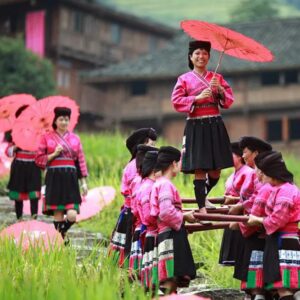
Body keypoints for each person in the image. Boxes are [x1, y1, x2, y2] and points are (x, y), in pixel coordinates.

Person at [171, 40, 234, 213]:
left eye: (205, 53)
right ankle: (201, 208)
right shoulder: (183, 79)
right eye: (197, 53)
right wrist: (196, 98)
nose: (201, 56)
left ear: (209, 57)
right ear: (191, 57)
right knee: (200, 167)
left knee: (215, 171)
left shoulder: (217, 78)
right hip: (196, 125)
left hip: (215, 124)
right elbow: (176, 102)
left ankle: (203, 197)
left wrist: (220, 89)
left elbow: (229, 100)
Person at [248, 151, 300, 300]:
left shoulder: (286, 191)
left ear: (273, 173)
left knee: (283, 287)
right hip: (278, 239)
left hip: (283, 241)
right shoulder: (278, 189)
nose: (262, 176)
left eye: (264, 173)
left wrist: (257, 220)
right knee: (279, 286)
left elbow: (278, 220)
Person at [35, 107, 88, 239]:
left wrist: (84, 183)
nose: (64, 122)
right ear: (55, 120)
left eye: (66, 119)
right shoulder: (46, 138)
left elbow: (80, 161)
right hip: (54, 177)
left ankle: (61, 234)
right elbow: (39, 159)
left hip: (70, 178)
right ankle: (61, 241)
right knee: (58, 211)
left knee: (72, 214)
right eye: (61, 119)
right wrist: (54, 154)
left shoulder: (75, 139)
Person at [150, 146, 196, 294]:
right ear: (173, 164)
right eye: (179, 162)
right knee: (171, 279)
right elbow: (165, 212)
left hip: (165, 233)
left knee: (171, 279)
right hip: (171, 235)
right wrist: (184, 217)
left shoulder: (158, 183)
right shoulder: (165, 185)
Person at [109, 128, 157, 267]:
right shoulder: (133, 168)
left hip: (138, 211)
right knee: (130, 249)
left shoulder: (144, 166)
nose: (155, 150)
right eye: (151, 146)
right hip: (133, 213)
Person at [219, 142, 253, 266]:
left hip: (241, 215)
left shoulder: (248, 172)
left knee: (242, 253)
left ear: (239, 157)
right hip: (231, 213)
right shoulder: (232, 175)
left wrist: (234, 200)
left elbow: (249, 196)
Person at [6, 105, 42, 220]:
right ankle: (19, 218)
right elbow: (8, 152)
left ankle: (34, 218)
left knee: (34, 194)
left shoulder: (38, 132)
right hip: (19, 166)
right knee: (18, 194)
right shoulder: (15, 133)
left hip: (33, 165)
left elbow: (42, 149)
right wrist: (17, 146)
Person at [137, 150, 160, 291]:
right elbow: (147, 217)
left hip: (151, 232)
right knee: (153, 281)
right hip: (153, 233)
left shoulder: (148, 184)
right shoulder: (148, 187)